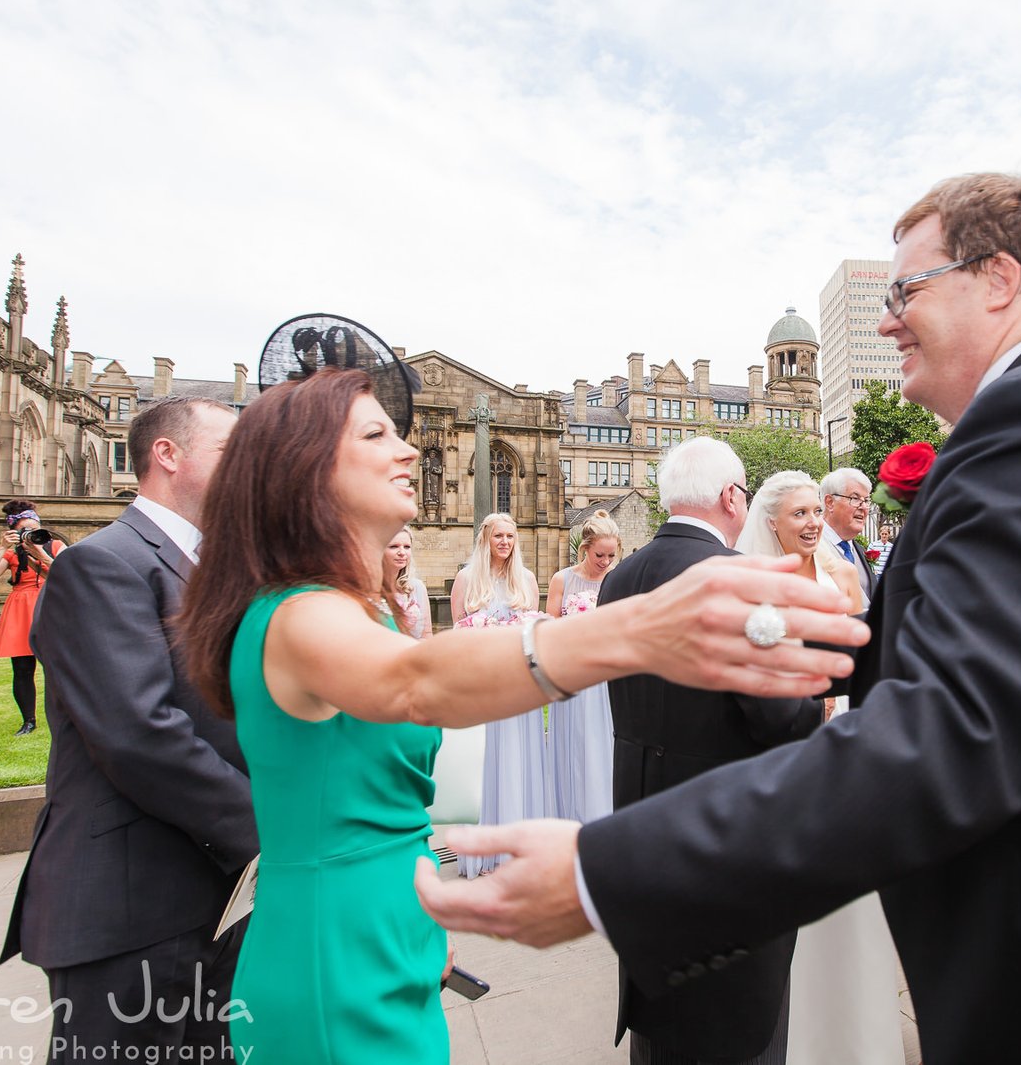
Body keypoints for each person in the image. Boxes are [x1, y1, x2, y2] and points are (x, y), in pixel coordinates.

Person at [417, 173, 1021, 1064]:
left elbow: (955, 731)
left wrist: (606, 872)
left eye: (908, 286)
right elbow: (942, 668)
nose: (885, 317)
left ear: (1000, 280)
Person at [176, 369, 863, 1065]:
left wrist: (420, 920)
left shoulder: (358, 606)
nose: (409, 450)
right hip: (333, 954)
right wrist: (635, 630)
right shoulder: (298, 613)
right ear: (304, 466)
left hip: (397, 929)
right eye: (378, 433)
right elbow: (417, 681)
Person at [0, 397, 256, 1065]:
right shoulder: (104, 563)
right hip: (130, 907)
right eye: (231, 450)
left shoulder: (209, 570)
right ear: (167, 455)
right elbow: (140, 734)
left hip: (211, 898)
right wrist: (269, 832)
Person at [597, 439, 824, 1065]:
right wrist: (819, 706)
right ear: (731, 497)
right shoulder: (743, 581)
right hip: (730, 832)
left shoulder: (620, 576)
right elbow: (781, 717)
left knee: (662, 1008)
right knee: (741, 1018)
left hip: (642, 820)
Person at [734, 470, 904, 1065]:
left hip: (845, 739)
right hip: (788, 743)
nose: (811, 524)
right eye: (799, 514)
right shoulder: (754, 585)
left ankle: (851, 1034)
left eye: (815, 513)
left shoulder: (839, 576)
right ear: (771, 522)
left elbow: (868, 649)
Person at [453, 512, 550, 875]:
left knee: (519, 759)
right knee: (487, 763)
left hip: (518, 685)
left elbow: (532, 633)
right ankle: (485, 850)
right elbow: (459, 636)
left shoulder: (524, 580)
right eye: (499, 537)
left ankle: (518, 848)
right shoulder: (466, 579)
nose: (505, 543)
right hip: (482, 684)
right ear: (485, 539)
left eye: (510, 537)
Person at [546, 509, 621, 823]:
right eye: (599, 555)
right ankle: (570, 818)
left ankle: (605, 816)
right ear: (585, 548)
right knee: (573, 749)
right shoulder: (562, 579)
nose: (605, 562)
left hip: (606, 677)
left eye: (611, 556)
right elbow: (549, 629)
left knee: (604, 747)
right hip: (573, 675)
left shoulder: (618, 579)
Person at [0, 499, 61, 736]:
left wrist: (40, 554)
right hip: (21, 608)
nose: (30, 534)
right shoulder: (12, 554)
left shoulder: (55, 547)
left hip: (49, 605)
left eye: (34, 529)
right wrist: (2, 547)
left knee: (56, 668)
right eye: (24, 531)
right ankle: (28, 721)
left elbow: (66, 575)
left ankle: (64, 717)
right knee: (22, 669)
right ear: (14, 532)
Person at [819, 467, 875, 602]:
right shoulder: (811, 548)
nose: (863, 507)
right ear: (830, 502)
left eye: (866, 500)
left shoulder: (860, 550)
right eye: (855, 498)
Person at [382, 526, 430, 639]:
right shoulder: (366, 588)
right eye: (394, 546)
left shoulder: (417, 587)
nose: (402, 552)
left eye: (407, 547)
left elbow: (426, 634)